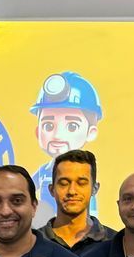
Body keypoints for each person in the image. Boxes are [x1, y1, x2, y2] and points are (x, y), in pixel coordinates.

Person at [29, 71, 103, 227]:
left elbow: (92, 213)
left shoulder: (88, 172)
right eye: (48, 126)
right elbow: (26, 189)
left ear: (91, 132)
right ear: (37, 131)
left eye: (72, 126)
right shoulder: (43, 171)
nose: (57, 135)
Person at [40, 149, 115, 251]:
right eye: (64, 183)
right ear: (52, 189)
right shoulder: (33, 243)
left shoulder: (116, 244)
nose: (72, 191)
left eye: (81, 183)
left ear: (94, 189)